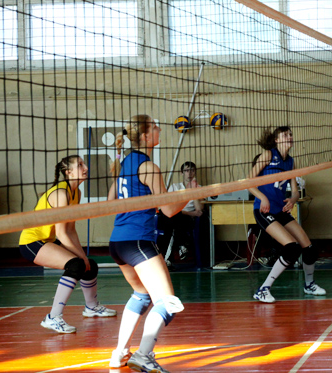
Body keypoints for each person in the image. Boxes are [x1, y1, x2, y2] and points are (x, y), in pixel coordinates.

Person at [107, 115, 187, 372]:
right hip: (139, 241)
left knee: (141, 295)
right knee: (168, 302)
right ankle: (143, 354)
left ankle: (119, 353)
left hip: (118, 243)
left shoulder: (125, 163)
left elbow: (110, 202)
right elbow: (169, 210)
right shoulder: (149, 167)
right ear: (144, 136)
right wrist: (191, 194)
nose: (159, 129)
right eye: (154, 127)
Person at [18, 155, 116, 334]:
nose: (85, 167)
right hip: (31, 242)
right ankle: (53, 317)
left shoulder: (76, 193)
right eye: (80, 165)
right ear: (69, 172)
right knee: (76, 265)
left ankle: (91, 307)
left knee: (89, 265)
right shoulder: (61, 193)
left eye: (84, 164)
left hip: (47, 240)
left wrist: (84, 256)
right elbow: (62, 233)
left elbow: (70, 230)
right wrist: (80, 257)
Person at [249, 126, 325, 303]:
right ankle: (263, 289)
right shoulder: (268, 155)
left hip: (280, 210)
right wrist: (263, 198)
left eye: (290, 134)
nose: (289, 137)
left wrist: (292, 199)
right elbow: (248, 182)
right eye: (285, 135)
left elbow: (295, 191)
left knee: (309, 248)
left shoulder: (291, 162)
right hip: (263, 210)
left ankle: (309, 285)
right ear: (277, 140)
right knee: (291, 248)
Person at [158, 161, 203, 265]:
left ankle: (167, 258)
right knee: (167, 217)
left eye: (192, 170)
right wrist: (191, 213)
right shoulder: (174, 187)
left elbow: (199, 210)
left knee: (172, 222)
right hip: (174, 215)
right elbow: (168, 208)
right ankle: (181, 245)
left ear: (195, 172)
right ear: (182, 173)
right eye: (186, 170)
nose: (189, 173)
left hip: (187, 220)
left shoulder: (199, 188)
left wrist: (193, 191)